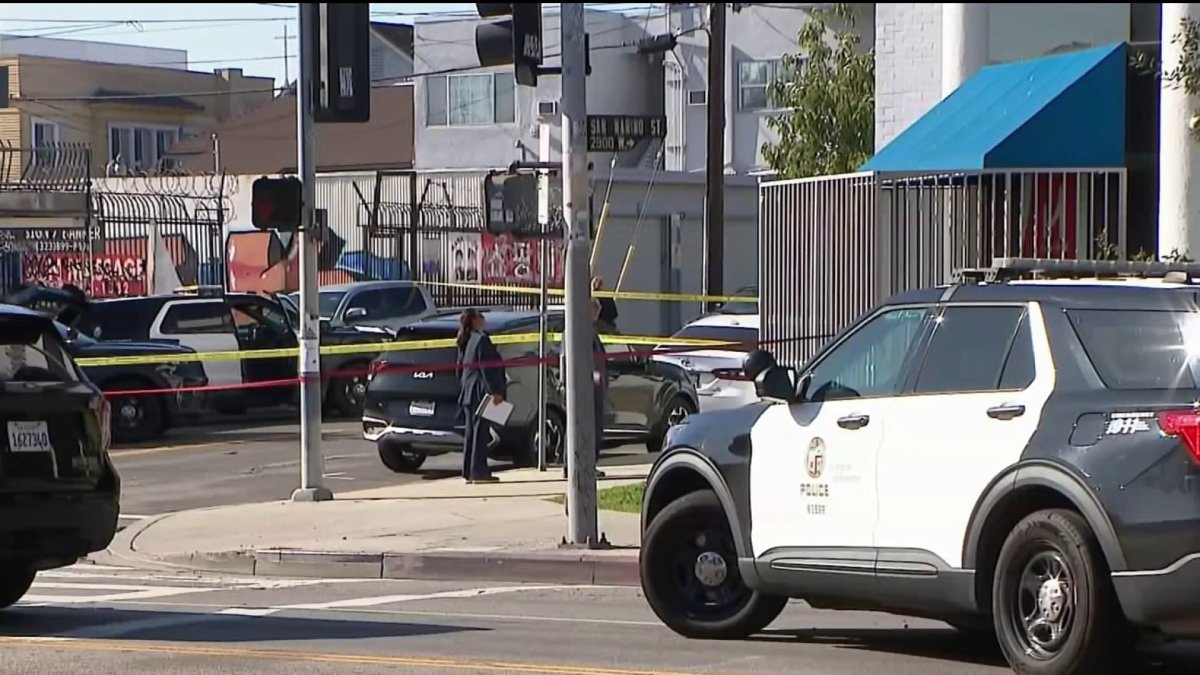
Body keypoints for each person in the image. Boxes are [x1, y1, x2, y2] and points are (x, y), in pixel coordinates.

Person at [456, 309, 505, 484]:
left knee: (471, 432)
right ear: (475, 320)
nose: (484, 319)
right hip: (481, 391)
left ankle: (468, 471)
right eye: (481, 316)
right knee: (480, 432)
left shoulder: (466, 340)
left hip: (468, 392)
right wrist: (495, 392)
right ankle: (479, 472)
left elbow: (459, 369)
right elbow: (488, 368)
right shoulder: (481, 340)